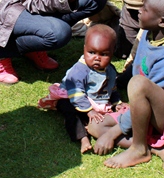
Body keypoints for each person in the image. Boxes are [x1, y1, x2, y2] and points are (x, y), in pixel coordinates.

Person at [87, 0, 164, 171]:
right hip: (150, 105)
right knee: (95, 127)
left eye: (145, 9)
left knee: (137, 85)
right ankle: (160, 148)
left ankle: (139, 149)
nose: (139, 11)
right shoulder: (150, 34)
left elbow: (146, 89)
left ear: (163, 22)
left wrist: (113, 133)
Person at [52, 25, 123, 153]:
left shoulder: (110, 70)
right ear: (84, 49)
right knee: (70, 111)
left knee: (105, 117)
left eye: (104, 54)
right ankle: (83, 138)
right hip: (73, 97)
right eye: (91, 52)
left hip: (94, 100)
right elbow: (76, 93)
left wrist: (116, 102)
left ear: (113, 52)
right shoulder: (80, 70)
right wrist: (89, 111)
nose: (97, 58)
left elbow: (112, 89)